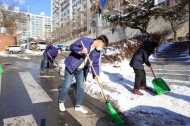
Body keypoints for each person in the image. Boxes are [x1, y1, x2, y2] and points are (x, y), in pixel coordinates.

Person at [59, 35, 109, 114]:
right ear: (100, 42)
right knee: (67, 85)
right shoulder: (85, 41)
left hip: (81, 70)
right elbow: (72, 47)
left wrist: (96, 74)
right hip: (71, 66)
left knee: (81, 88)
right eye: (103, 45)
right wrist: (80, 51)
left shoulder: (97, 52)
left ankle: (78, 106)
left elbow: (95, 64)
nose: (102, 48)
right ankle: (61, 102)